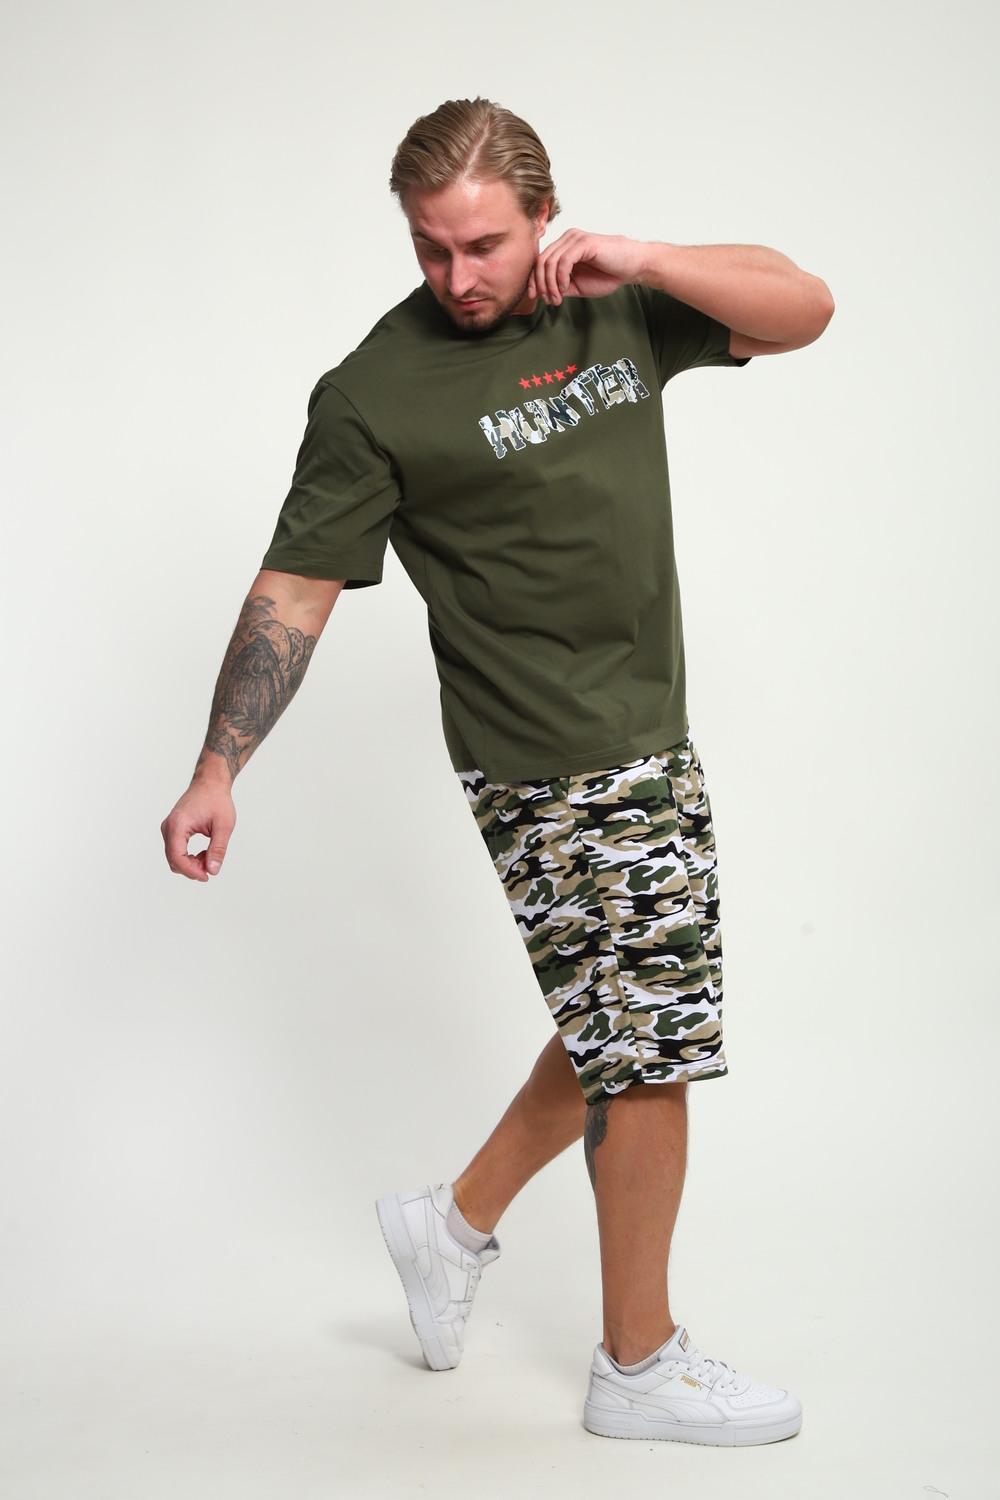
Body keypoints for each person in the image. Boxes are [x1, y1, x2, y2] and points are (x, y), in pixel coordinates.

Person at [160, 95, 834, 1445]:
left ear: (543, 218)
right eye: (430, 248)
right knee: (647, 1042)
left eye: (482, 245)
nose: (458, 277)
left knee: (621, 1007)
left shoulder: (612, 306)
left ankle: (452, 1222)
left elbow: (803, 306)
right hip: (543, 751)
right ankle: (638, 1364)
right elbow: (295, 589)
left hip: (647, 721)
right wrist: (217, 766)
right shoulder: (375, 394)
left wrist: (642, 259)